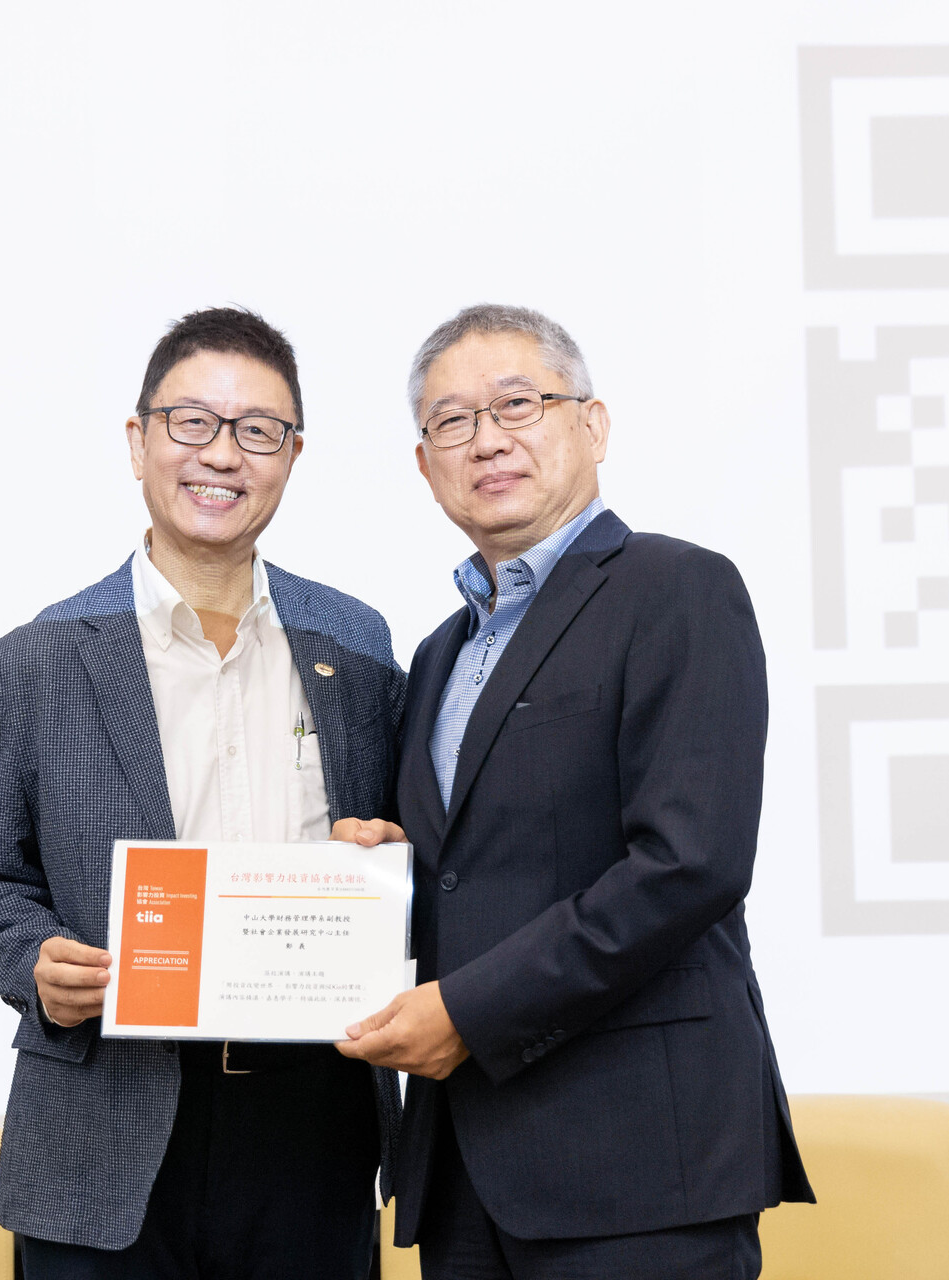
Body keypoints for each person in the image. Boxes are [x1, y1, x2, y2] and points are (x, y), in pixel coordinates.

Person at [333, 304, 813, 1278]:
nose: (489, 438)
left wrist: (467, 1009)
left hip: (639, 1165)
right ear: (426, 467)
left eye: (518, 402)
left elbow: (689, 864)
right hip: (467, 1172)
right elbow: (480, 873)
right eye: (452, 421)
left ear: (591, 425)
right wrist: (380, 875)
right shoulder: (436, 655)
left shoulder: (677, 588)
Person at [0, 308, 404, 1279]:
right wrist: (37, 963)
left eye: (258, 430)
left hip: (311, 1120)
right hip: (104, 1121)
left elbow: (402, 851)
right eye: (192, 421)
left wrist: (385, 855)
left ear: (293, 453)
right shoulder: (39, 660)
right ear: (139, 439)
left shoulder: (358, 649)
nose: (222, 455)